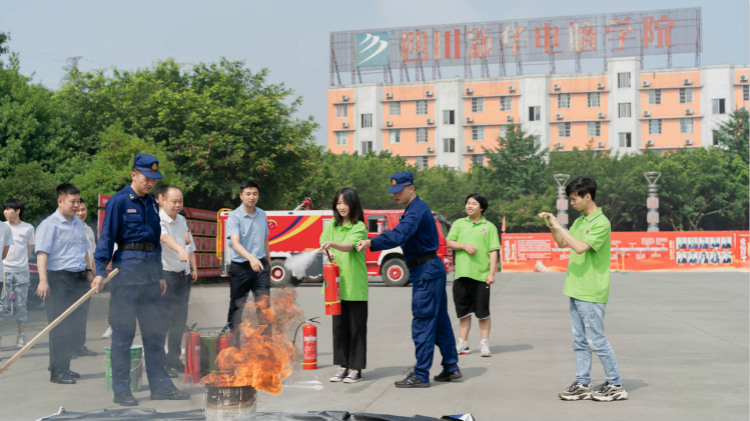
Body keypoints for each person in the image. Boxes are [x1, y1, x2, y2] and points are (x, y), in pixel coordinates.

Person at [91, 154, 189, 406]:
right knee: (123, 336)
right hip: (126, 277)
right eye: (146, 178)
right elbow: (106, 237)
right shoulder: (119, 202)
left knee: (155, 335)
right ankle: (121, 390)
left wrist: (158, 274)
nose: (150, 184)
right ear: (133, 174)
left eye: (154, 180)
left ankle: (161, 385)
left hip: (150, 279)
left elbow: (155, 242)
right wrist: (100, 271)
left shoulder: (151, 204)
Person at [356, 172, 459, 388]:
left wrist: (371, 243)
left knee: (423, 321)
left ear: (411, 188)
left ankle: (421, 375)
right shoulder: (417, 209)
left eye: (399, 190)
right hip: (431, 269)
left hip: (425, 271)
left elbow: (399, 235)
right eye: (393, 191)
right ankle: (451, 367)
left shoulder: (415, 212)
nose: (395, 194)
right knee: (439, 322)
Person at [538, 176, 627, 402]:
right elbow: (561, 243)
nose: (572, 203)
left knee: (596, 339)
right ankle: (582, 382)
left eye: (575, 198)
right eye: (570, 199)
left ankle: (615, 383)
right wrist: (553, 224)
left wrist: (559, 226)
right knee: (579, 340)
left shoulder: (601, 222)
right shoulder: (580, 222)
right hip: (575, 288)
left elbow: (579, 247)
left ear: (588, 197)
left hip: (592, 289)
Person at [35, 184, 93, 385]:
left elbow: (84, 249)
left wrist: (89, 272)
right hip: (58, 279)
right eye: (73, 201)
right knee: (60, 327)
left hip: (79, 279)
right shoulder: (49, 225)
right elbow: (42, 253)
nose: (77, 205)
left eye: (78, 201)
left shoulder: (78, 223)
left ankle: (65, 366)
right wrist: (43, 281)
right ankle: (57, 372)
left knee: (75, 326)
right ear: (60, 201)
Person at [320, 187, 369, 384]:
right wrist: (327, 251)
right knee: (339, 328)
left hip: (354, 285)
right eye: (338, 203)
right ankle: (343, 366)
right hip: (335, 286)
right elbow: (323, 243)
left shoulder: (359, 227)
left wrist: (331, 244)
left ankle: (356, 368)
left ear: (353, 204)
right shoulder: (332, 225)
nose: (341, 207)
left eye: (345, 203)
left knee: (356, 328)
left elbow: (349, 246)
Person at [445, 193, 499, 358]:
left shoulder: (489, 227)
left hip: (481, 276)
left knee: (483, 313)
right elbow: (449, 241)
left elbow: (493, 250)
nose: (469, 206)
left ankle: (484, 343)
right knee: (463, 312)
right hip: (461, 275)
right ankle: (462, 343)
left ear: (481, 207)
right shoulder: (459, 224)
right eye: (468, 203)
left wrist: (491, 273)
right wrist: (463, 246)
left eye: (473, 204)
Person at [158, 186, 197, 377]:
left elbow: (188, 244)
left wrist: (191, 266)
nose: (178, 205)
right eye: (174, 201)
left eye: (180, 201)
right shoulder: (158, 219)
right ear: (162, 199)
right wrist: (180, 251)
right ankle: (160, 362)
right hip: (166, 276)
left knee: (179, 321)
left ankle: (173, 358)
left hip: (183, 276)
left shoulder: (181, 219)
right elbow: (165, 238)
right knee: (164, 320)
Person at [225, 180, 271, 333]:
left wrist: (268, 263)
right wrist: (251, 258)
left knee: (264, 308)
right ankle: (234, 348)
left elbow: (265, 240)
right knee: (237, 308)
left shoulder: (262, 214)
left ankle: (266, 348)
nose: (252, 197)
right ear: (241, 196)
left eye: (255, 194)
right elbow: (236, 243)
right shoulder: (234, 216)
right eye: (248, 194)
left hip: (261, 267)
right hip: (240, 269)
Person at [1, 199, 34, 348]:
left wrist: (23, 262)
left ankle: (22, 336)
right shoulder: (2, 227)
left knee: (21, 305)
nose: (5, 212)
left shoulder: (28, 228)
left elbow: (30, 248)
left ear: (18, 211)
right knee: (2, 307)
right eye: (4, 209)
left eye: (8, 209)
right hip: (4, 271)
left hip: (22, 271)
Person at [70, 198, 98, 358]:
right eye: (78, 210)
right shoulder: (68, 227)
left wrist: (92, 275)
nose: (81, 213)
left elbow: (92, 253)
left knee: (82, 313)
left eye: (83, 209)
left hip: (85, 276)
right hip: (70, 276)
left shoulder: (88, 229)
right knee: (69, 313)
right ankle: (67, 348)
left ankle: (79, 345)